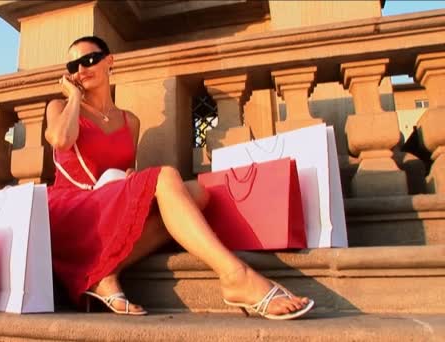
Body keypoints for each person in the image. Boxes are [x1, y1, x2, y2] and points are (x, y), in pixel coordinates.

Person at [45, 36, 314, 319]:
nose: (81, 69)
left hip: (105, 202)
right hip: (70, 209)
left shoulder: (130, 121)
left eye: (89, 60)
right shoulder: (60, 107)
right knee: (166, 175)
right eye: (73, 65)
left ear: (109, 61)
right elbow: (61, 140)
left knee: (197, 194)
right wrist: (74, 96)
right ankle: (235, 275)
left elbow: (121, 169)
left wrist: (129, 177)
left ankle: (107, 271)